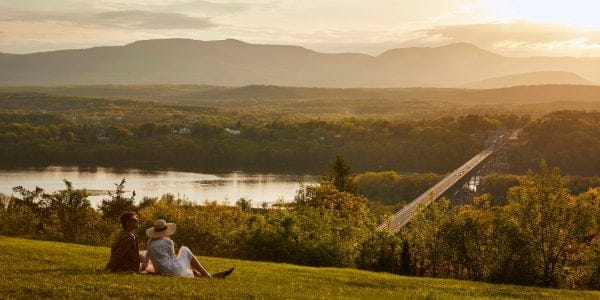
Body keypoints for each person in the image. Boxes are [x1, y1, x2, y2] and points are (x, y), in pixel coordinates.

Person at [142, 219, 234, 278]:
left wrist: (148, 269)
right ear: (165, 230)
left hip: (162, 271)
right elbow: (173, 259)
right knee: (185, 249)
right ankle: (207, 275)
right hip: (172, 270)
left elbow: (145, 264)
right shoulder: (168, 242)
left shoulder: (150, 245)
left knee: (182, 267)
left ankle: (212, 275)